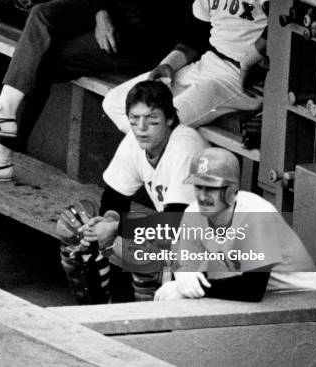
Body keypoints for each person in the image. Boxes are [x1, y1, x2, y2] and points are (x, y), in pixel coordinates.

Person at [0, 0, 208, 182]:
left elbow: (187, 28)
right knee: (41, 15)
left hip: (141, 37)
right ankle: (4, 110)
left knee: (42, 59)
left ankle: (0, 154)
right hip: (114, 8)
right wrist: (102, 12)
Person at [57, 81, 209, 303]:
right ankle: (96, 311)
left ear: (169, 119)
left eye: (152, 120)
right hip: (174, 239)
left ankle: (150, 318)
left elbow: (175, 223)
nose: (142, 127)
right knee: (77, 222)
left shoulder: (185, 147)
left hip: (205, 249)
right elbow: (115, 196)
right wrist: (105, 221)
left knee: (145, 240)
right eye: (135, 119)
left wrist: (116, 228)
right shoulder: (136, 139)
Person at [154, 148, 316, 302]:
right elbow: (181, 265)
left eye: (211, 188)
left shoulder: (257, 214)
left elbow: (253, 289)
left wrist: (192, 288)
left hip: (301, 295)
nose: (202, 196)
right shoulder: (193, 212)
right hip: (246, 287)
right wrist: (183, 277)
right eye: (198, 186)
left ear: (232, 190)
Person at [103, 0, 269, 133]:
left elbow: (279, 30)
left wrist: (249, 62)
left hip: (242, 79)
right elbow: (197, 32)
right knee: (114, 102)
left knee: (155, 124)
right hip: (208, 63)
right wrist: (169, 64)